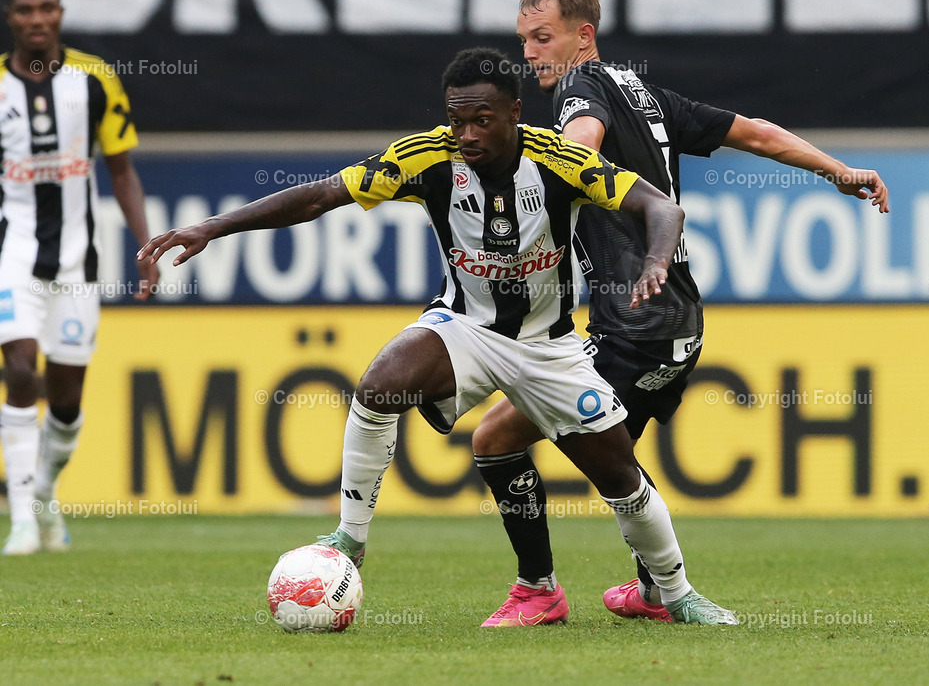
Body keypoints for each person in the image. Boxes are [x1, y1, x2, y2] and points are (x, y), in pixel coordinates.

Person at [138, 47, 737, 626]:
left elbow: (662, 208)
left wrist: (657, 261)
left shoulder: (561, 160)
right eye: (458, 120)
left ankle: (677, 594)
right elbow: (323, 195)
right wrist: (212, 227)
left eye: (482, 120)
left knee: (619, 476)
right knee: (379, 387)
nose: (468, 134)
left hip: (549, 347)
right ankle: (350, 537)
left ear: (514, 115)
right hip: (466, 328)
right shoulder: (423, 158)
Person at [472, 0, 890, 624]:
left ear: (584, 36)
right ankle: (650, 589)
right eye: (524, 38)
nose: (529, 52)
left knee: (499, 439)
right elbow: (753, 131)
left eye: (542, 37)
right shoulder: (645, 93)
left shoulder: (581, 91)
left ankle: (546, 591)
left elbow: (579, 143)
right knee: (614, 460)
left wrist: (527, 210)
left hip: (633, 323)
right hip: (676, 322)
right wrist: (838, 171)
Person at [0, 0, 158, 555]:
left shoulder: (95, 80)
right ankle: (19, 519)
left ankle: (42, 492)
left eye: (47, 8)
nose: (37, 18)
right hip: (11, 254)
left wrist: (146, 248)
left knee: (65, 403)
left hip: (76, 266)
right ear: (10, 17)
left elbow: (122, 171)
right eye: (25, 10)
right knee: (18, 371)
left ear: (60, 12)